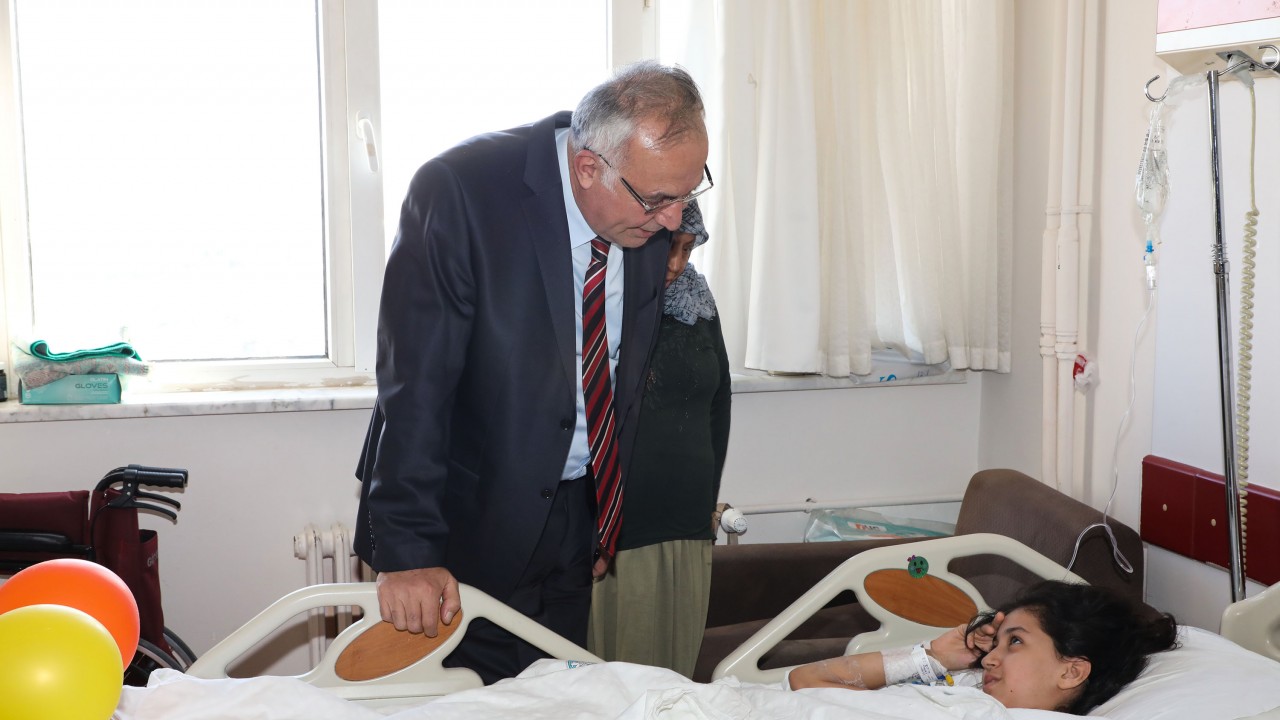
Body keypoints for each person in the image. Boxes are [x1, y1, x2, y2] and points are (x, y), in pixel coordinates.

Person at [353, 61, 712, 684]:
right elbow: (415, 389)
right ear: (587, 167)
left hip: (575, 519)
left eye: (689, 194)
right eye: (659, 201)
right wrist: (408, 553)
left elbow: (619, 377)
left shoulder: (645, 208)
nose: (674, 220)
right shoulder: (461, 193)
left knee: (556, 695)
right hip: (464, 526)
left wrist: (603, 516)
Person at [588, 199, 731, 678]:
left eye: (687, 250)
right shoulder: (606, 300)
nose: (676, 264)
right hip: (621, 528)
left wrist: (707, 503)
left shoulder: (699, 302)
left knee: (676, 675)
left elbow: (719, 405)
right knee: (618, 678)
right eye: (669, 248)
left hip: (688, 522)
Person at [787, 580, 1179, 715]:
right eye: (997, 642)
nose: (989, 657)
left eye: (1016, 641)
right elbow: (804, 681)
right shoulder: (965, 693)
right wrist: (932, 657)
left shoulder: (977, 712)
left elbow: (808, 682)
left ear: (1071, 671)